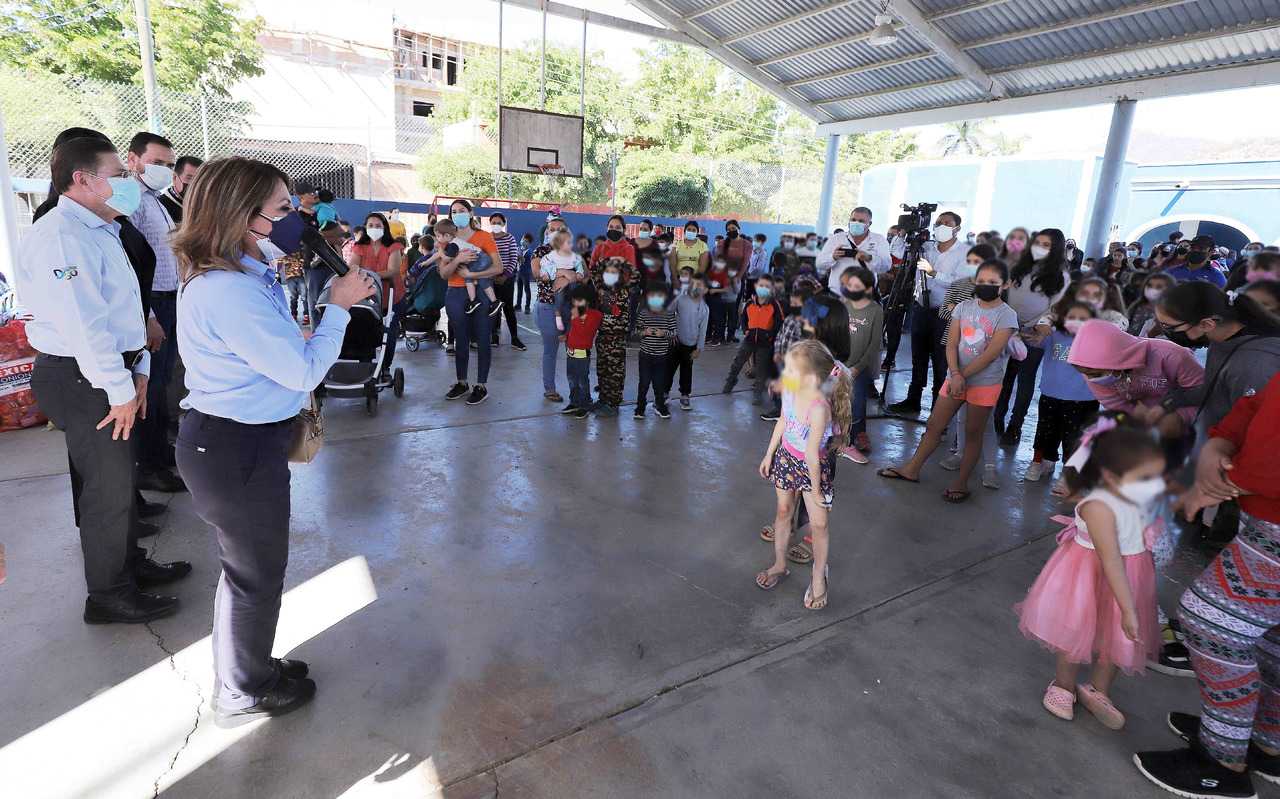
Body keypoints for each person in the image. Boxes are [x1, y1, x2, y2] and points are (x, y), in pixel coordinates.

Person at [171, 155, 375, 727]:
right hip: (233, 449)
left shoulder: (243, 277)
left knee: (251, 572)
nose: (297, 220)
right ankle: (240, 694)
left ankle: (251, 666)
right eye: (283, 209)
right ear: (243, 216)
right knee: (254, 576)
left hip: (244, 444)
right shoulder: (227, 290)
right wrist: (338, 308)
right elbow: (303, 371)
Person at [17, 135, 190, 624]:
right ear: (83, 179)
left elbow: (124, 311)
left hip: (109, 370)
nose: (127, 182)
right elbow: (83, 326)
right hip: (82, 376)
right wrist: (118, 390)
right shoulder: (62, 236)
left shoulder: (100, 226)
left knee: (121, 480)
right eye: (118, 174)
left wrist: (135, 371)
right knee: (106, 490)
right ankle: (108, 594)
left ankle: (130, 565)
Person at [1134, 369, 1280, 798]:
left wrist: (1222, 481)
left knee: (1211, 621)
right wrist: (1222, 442)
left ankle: (1221, 761)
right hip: (1264, 511)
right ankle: (1265, 741)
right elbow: (1264, 401)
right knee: (1268, 633)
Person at [1015, 417, 1164, 729]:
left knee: (1117, 636)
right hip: (1089, 570)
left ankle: (1098, 690)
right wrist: (1128, 608)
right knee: (1075, 628)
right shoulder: (1098, 506)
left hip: (1131, 572)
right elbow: (1111, 562)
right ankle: (1063, 685)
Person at [879, 258, 1017, 502]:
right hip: (955, 378)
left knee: (973, 433)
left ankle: (961, 483)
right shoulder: (964, 307)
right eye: (981, 281)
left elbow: (991, 354)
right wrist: (955, 374)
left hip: (984, 383)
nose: (985, 285)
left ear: (1005, 284)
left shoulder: (1007, 315)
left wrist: (960, 376)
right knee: (934, 425)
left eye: (992, 282)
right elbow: (952, 342)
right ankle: (911, 469)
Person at [755, 339, 853, 612]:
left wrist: (817, 491)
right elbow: (783, 421)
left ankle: (819, 575)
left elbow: (812, 456)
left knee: (819, 524)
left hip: (813, 467)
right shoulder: (790, 391)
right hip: (787, 458)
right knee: (784, 510)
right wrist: (769, 454)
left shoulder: (819, 408)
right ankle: (779, 565)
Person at [124, 132, 189, 495]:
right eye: (157, 163)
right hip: (154, 304)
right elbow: (132, 265)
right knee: (150, 383)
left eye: (168, 165)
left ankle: (159, 454)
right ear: (133, 160)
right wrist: (148, 314)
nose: (164, 170)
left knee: (162, 383)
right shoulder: (132, 201)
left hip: (169, 299)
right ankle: (147, 464)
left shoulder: (156, 200)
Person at [993, 228, 1072, 448]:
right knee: (1004, 377)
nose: (1040, 248)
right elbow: (1005, 294)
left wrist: (1037, 327)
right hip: (1007, 328)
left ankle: (1015, 426)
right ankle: (997, 419)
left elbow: (1058, 306)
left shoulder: (1060, 275)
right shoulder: (1018, 267)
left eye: (1046, 245)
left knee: (1025, 380)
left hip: (1033, 334)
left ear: (1055, 249)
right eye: (1038, 243)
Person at [888, 211, 971, 415]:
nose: (941, 226)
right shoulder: (925, 247)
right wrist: (902, 233)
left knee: (941, 359)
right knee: (918, 356)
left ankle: (938, 405)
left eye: (947, 223)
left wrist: (933, 273)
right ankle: (913, 399)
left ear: (957, 228)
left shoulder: (965, 253)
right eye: (938, 223)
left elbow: (961, 282)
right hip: (921, 308)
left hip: (946, 313)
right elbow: (897, 252)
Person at [937, 244, 1001, 485]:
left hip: (986, 371)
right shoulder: (959, 285)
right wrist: (957, 312)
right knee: (962, 417)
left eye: (979, 261)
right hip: (958, 362)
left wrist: (959, 312)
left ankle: (990, 466)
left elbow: (998, 331)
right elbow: (945, 311)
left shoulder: (997, 294)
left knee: (984, 422)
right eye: (970, 260)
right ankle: (961, 455)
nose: (973, 265)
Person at [1024, 302, 1100, 483]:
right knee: (1044, 430)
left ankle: (1069, 472)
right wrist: (1037, 327)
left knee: (1074, 437)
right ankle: (1040, 461)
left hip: (1081, 399)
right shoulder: (1052, 334)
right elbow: (1024, 333)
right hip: (1051, 394)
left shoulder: (1094, 339)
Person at [438, 200, 503, 403]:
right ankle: (462, 382)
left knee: (483, 338)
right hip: (455, 293)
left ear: (471, 213)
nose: (458, 214)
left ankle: (481, 386)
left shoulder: (484, 237)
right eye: (454, 212)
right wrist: (457, 260)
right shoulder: (448, 239)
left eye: (462, 211)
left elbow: (498, 267)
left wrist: (472, 274)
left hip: (481, 294)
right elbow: (443, 273)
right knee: (461, 340)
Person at [532, 217, 584, 402]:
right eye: (551, 229)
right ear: (547, 233)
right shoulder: (541, 251)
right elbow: (539, 274)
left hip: (571, 309)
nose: (555, 231)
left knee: (574, 350)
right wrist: (564, 273)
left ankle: (577, 391)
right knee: (550, 349)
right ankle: (550, 388)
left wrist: (571, 277)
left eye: (559, 228)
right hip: (548, 308)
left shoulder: (573, 252)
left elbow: (585, 276)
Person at [350, 212, 406, 376]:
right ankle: (365, 367)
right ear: (365, 228)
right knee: (365, 331)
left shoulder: (393, 246)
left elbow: (393, 270)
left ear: (385, 228)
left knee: (389, 334)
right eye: (370, 226)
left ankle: (385, 367)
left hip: (392, 298)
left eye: (378, 225)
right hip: (367, 298)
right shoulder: (359, 247)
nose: (374, 229)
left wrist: (369, 276)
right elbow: (352, 268)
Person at [839, 267, 884, 461]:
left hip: (859, 368)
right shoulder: (844, 305)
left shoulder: (875, 310)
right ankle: (835, 439)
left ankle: (849, 442)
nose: (851, 289)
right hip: (839, 364)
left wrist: (857, 367)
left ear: (867, 289)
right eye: (849, 285)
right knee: (835, 402)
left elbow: (874, 344)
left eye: (856, 286)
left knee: (856, 404)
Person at [724, 274, 784, 404]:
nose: (763, 288)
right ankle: (731, 380)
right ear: (756, 286)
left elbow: (780, 321)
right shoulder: (750, 303)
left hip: (764, 342)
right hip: (749, 340)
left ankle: (758, 392)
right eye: (761, 285)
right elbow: (743, 317)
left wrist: (769, 334)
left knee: (761, 368)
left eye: (767, 286)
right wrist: (745, 330)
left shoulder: (774, 304)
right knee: (738, 362)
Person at [589, 256, 636, 416]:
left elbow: (636, 275)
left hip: (617, 338)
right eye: (608, 272)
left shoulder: (625, 289)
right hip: (602, 337)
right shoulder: (601, 288)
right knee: (602, 370)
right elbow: (593, 270)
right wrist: (607, 259)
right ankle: (603, 399)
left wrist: (622, 262)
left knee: (615, 372)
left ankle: (613, 404)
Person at [760, 284, 813, 423]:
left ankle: (790, 412)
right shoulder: (790, 318)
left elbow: (804, 346)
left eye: (796, 303)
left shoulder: (807, 323)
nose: (792, 305)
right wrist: (777, 352)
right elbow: (780, 336)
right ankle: (779, 408)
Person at [818, 206, 893, 289]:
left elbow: (886, 266)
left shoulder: (879, 240)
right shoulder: (836, 239)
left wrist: (869, 258)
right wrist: (833, 257)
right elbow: (820, 265)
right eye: (853, 220)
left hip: (864, 294)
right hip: (838, 292)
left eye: (861, 221)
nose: (856, 223)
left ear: (869, 223)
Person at [633, 281, 676, 419]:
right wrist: (644, 332)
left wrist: (664, 334)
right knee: (644, 382)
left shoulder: (669, 314)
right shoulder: (644, 313)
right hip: (645, 355)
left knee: (659, 382)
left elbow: (674, 332)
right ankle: (640, 407)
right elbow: (636, 330)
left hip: (661, 356)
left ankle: (660, 406)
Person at [667, 272, 709, 411]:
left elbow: (703, 330)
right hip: (675, 343)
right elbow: (669, 313)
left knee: (686, 371)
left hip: (690, 346)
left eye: (698, 285)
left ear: (705, 290)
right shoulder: (681, 299)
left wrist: (698, 349)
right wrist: (671, 333)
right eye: (692, 284)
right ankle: (664, 393)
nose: (694, 287)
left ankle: (684, 394)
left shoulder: (705, 309)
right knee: (669, 369)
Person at [561, 284, 602, 419]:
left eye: (579, 301)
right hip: (571, 351)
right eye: (575, 301)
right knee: (572, 378)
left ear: (587, 300)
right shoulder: (579, 314)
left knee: (582, 380)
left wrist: (576, 318)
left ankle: (584, 405)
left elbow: (584, 332)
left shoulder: (592, 316)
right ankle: (574, 402)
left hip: (582, 353)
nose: (576, 304)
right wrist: (566, 335)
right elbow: (575, 331)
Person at [487, 212, 525, 350]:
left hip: (507, 279)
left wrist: (506, 275)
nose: (496, 225)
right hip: (490, 279)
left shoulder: (510, 238)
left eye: (499, 223)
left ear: (503, 224)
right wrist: (491, 276)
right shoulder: (487, 238)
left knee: (508, 308)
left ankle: (514, 338)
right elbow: (484, 258)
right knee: (492, 308)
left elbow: (514, 257)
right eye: (494, 222)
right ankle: (493, 337)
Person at [1127, 272, 1175, 336]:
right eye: (1149, 285)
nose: (1153, 289)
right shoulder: (1135, 306)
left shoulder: (1168, 312)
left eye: (1159, 286)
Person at [158, 155, 201, 223]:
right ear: (175, 178)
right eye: (189, 178)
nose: (195, 184)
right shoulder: (160, 208)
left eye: (199, 179)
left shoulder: (204, 206)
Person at [704, 251, 732, 346]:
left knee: (716, 319)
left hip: (716, 298)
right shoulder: (710, 272)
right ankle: (708, 335)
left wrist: (715, 291)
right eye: (718, 261)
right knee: (708, 318)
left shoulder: (723, 274)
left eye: (722, 261)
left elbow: (725, 288)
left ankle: (716, 339)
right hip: (708, 297)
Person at [670, 219, 709, 284]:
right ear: (684, 231)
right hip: (678, 278)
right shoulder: (677, 244)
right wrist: (676, 280)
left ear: (697, 232)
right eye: (689, 229)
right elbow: (672, 264)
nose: (691, 232)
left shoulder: (702, 245)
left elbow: (703, 266)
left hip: (695, 279)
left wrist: (695, 281)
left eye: (694, 230)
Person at [517, 232, 535, 314]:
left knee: (527, 289)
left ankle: (527, 306)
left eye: (526, 240)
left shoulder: (529, 252)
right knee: (519, 289)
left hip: (526, 273)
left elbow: (526, 262)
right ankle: (518, 305)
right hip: (519, 272)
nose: (523, 241)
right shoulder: (519, 249)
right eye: (523, 239)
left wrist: (520, 258)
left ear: (529, 243)